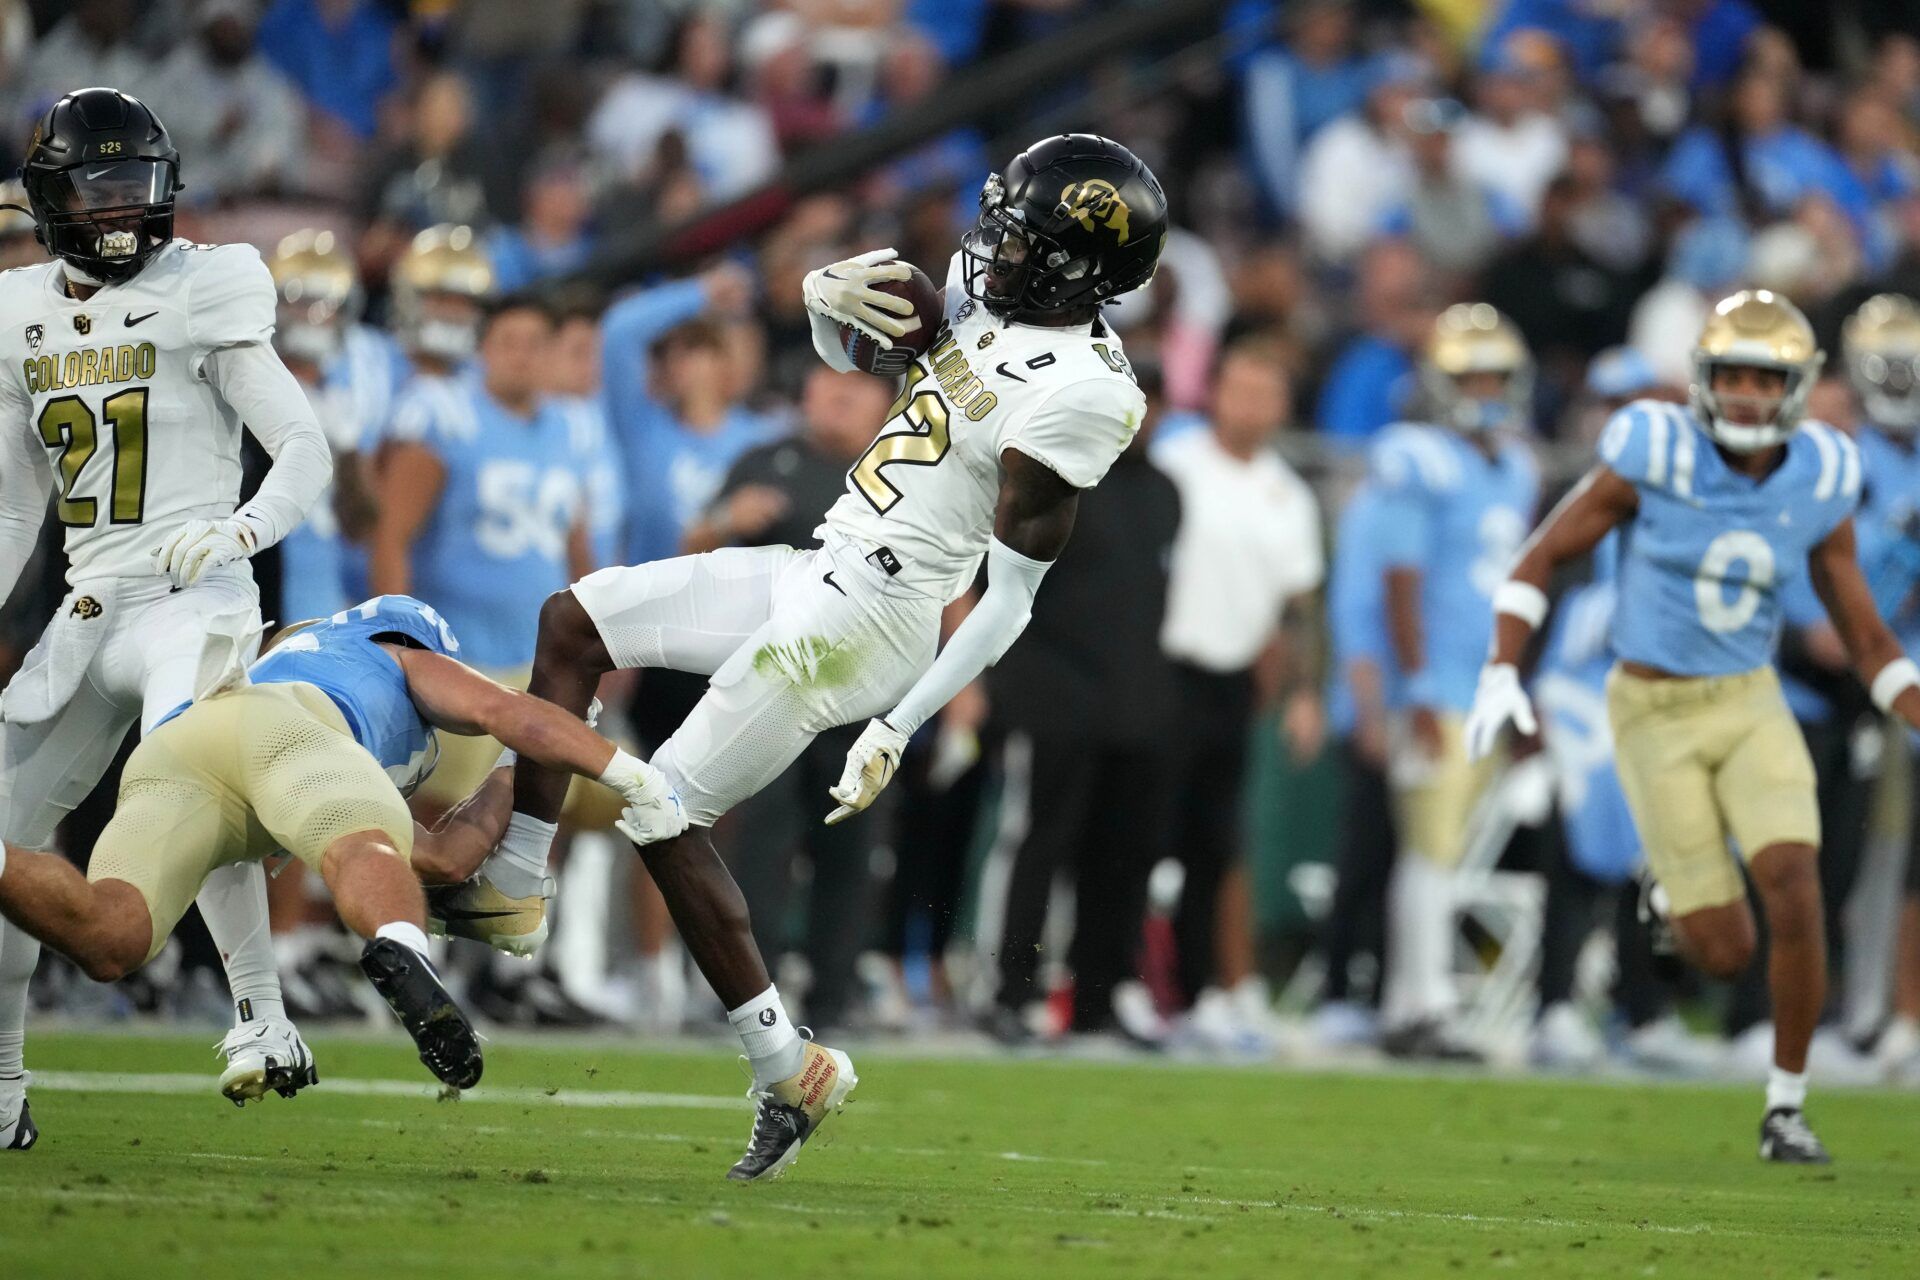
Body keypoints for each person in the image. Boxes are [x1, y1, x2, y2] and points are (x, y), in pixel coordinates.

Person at [471, 134, 1164, 1180]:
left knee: (663, 806)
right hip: (823, 559)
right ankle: (518, 877)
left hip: (877, 615)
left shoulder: (1087, 394)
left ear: (1077, 266)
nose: (992, 247)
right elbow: (865, 371)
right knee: (573, 619)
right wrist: (817, 301)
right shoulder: (1008, 310)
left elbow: (1011, 597)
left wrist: (899, 721)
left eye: (1021, 236)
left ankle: (784, 1063)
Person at [1464, 289, 1920, 1163]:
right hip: (1654, 706)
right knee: (1721, 949)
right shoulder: (1653, 448)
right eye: (1733, 374)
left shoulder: (1823, 471)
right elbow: (1542, 556)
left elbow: (1866, 635)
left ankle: (1785, 1105)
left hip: (1750, 696)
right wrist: (1499, 667)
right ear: (1704, 380)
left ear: (1799, 385)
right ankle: (1672, 892)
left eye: (1766, 376)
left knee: (1794, 876)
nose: (1747, 392)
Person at [0, 89, 334, 1148]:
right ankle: (4, 1090)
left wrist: (240, 533)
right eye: (95, 187)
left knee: (187, 772)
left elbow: (304, 448)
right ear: (50, 197)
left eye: (132, 185)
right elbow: (17, 503)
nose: (117, 210)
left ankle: (264, 1018)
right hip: (89, 605)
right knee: (6, 838)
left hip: (192, 593)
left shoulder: (209, 284)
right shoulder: (16, 310)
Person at [0, 595, 675, 1101]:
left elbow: (420, 854)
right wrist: (628, 773)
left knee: (111, 932)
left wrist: (504, 773)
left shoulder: (294, 651)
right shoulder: (395, 654)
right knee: (366, 853)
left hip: (180, 745)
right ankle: (401, 948)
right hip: (286, 732)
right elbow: (489, 764)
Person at [1372, 304, 1540, 1062]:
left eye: (1495, 375)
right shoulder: (1417, 457)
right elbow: (1400, 581)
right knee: (1429, 851)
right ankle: (1421, 1004)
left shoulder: (1519, 466)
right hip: (1436, 685)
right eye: (1470, 374)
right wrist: (1412, 687)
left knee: (1451, 854)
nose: (1485, 389)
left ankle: (1415, 1002)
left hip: (1484, 685)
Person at [1153, 340, 1324, 1049]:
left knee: (1215, 845)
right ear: (1214, 391)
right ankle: (1121, 985)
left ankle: (1203, 996)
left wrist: (1307, 691)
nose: (1251, 404)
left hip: (1233, 683)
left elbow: (1301, 603)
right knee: (1139, 838)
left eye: (1267, 391)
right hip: (1161, 670)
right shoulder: (1176, 463)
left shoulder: (1289, 494)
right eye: (1240, 387)